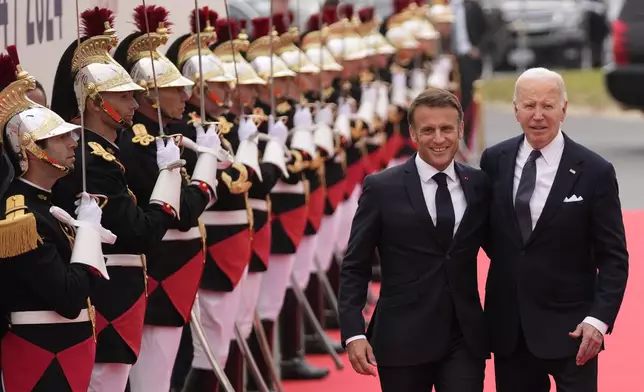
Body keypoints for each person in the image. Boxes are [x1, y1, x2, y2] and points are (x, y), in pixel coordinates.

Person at [51, 6, 184, 391]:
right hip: (109, 295)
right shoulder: (92, 160)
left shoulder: (103, 153)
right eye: (123, 96)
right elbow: (139, 232)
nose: (133, 103)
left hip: (121, 292)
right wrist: (169, 179)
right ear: (94, 102)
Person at [479, 67, 629, 392]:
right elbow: (496, 240)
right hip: (511, 330)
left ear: (564, 109)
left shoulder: (596, 171)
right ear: (515, 109)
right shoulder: (494, 161)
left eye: (547, 106)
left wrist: (598, 321)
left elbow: (614, 258)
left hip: (574, 331)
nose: (537, 116)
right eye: (529, 105)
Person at [339, 87, 489, 392]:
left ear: (461, 129)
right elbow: (355, 264)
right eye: (428, 130)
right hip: (402, 337)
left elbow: (506, 250)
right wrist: (354, 332)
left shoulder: (479, 184)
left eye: (447, 129)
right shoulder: (381, 188)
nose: (438, 138)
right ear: (413, 133)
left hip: (463, 337)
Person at [111, 6, 222, 392]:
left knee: (176, 366)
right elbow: (184, 214)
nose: (186, 95)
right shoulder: (141, 143)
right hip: (159, 271)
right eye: (176, 88)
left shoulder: (170, 135)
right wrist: (206, 168)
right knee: (155, 380)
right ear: (150, 96)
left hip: (176, 270)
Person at [0, 45, 110, 392]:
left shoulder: (45, 206)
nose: (72, 141)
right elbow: (67, 296)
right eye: (59, 138)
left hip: (66, 347)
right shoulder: (21, 218)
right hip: (42, 352)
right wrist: (89, 235)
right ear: (32, 150)